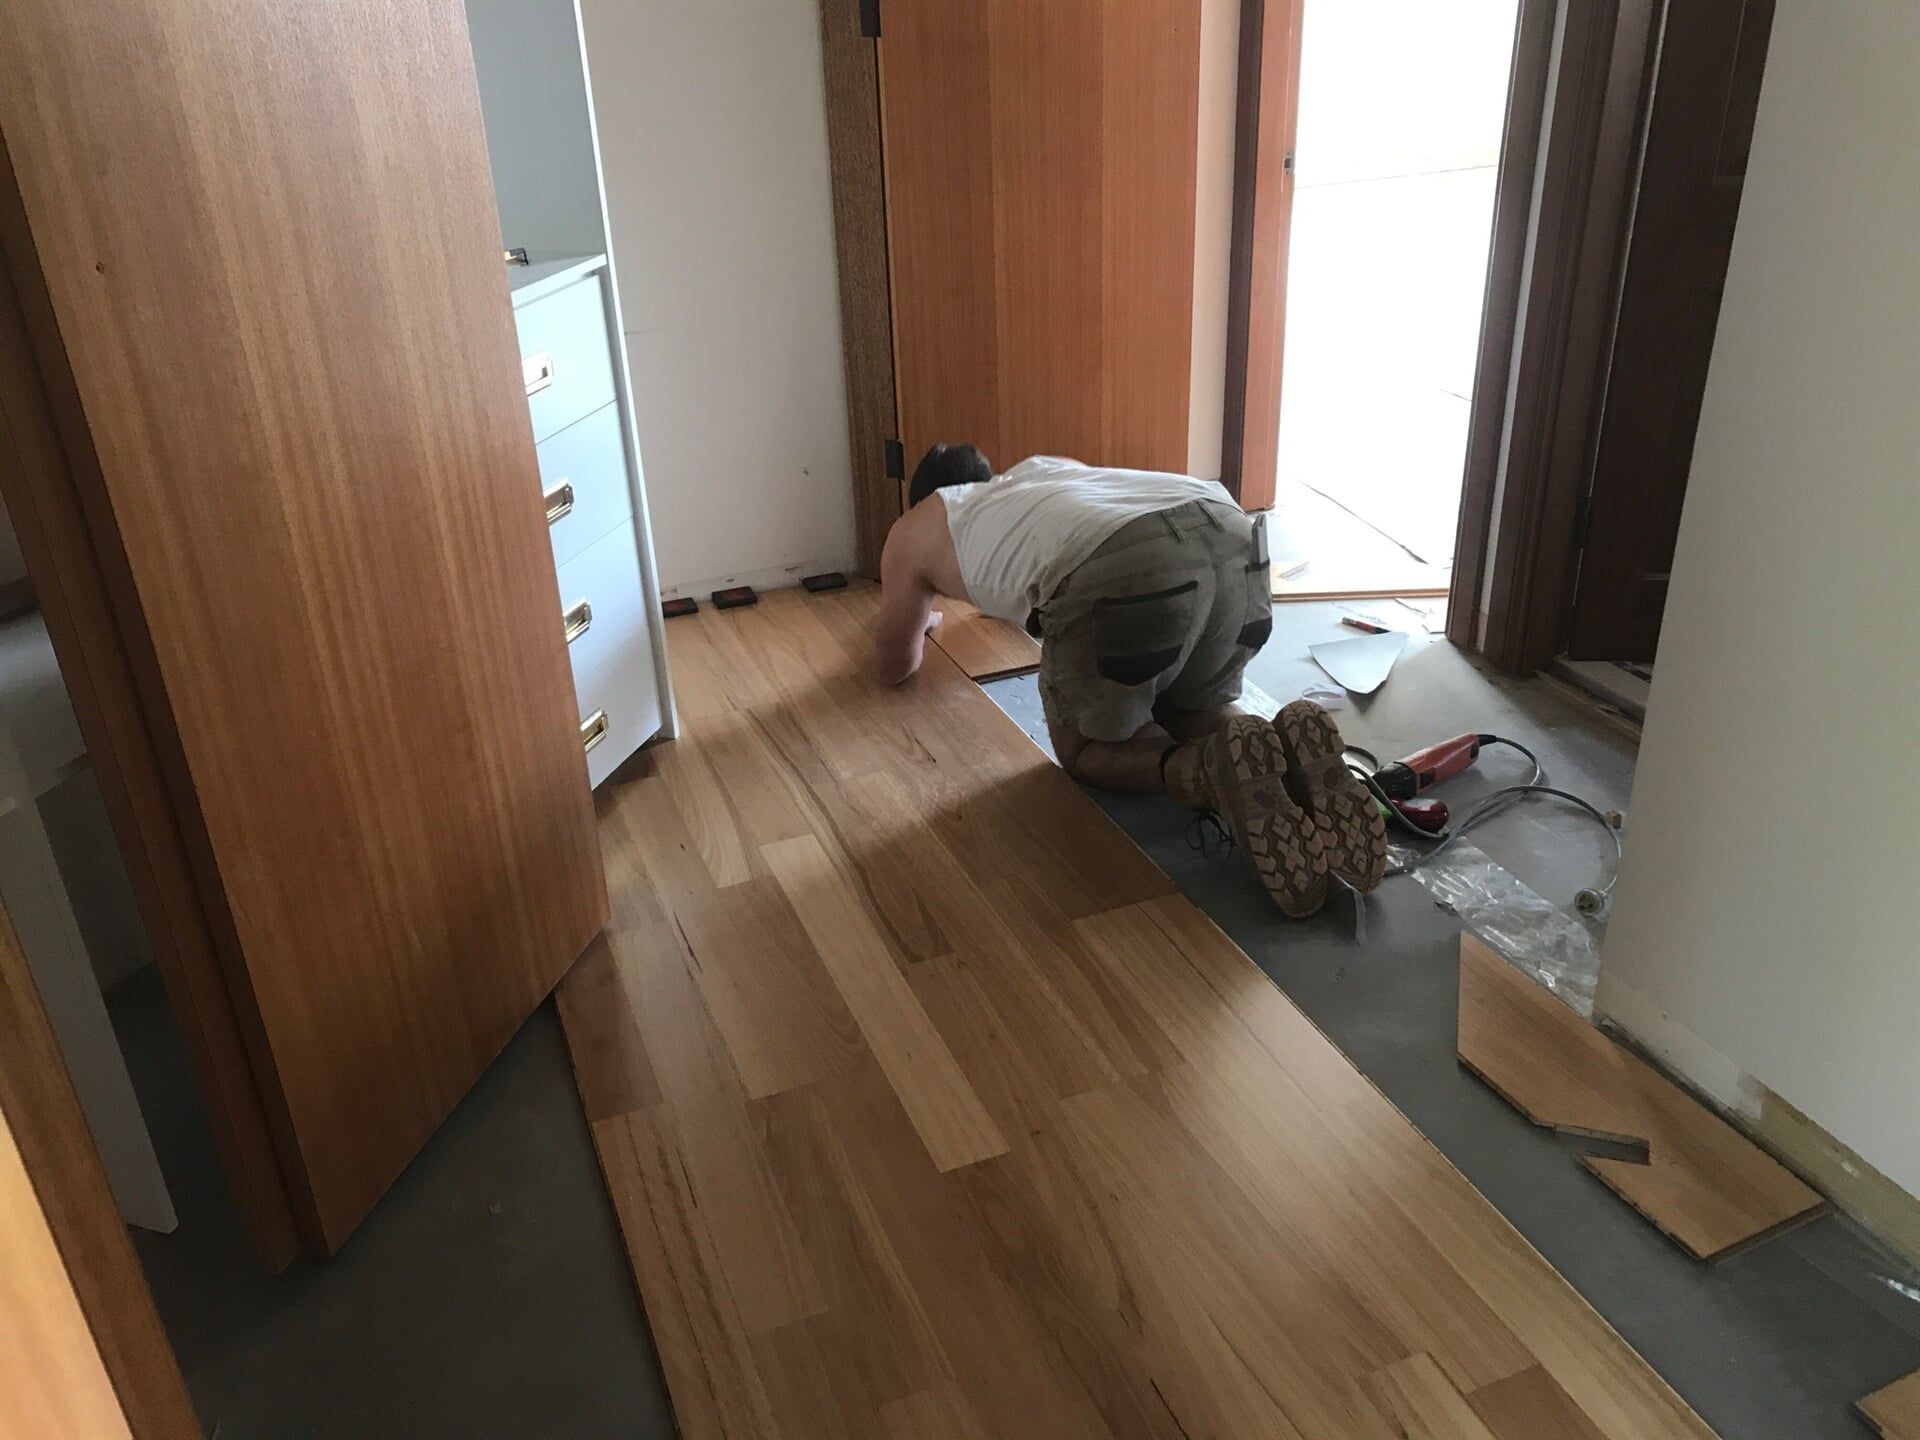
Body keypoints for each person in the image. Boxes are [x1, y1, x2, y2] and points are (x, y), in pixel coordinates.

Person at [874, 444, 1386, 917]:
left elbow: (895, 662)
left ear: (923, 496)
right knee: (1188, 709)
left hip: (1122, 563)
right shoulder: (1041, 473)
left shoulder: (912, 526)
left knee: (1088, 748)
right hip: (1233, 536)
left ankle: (1208, 772)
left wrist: (924, 616)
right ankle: (1287, 751)